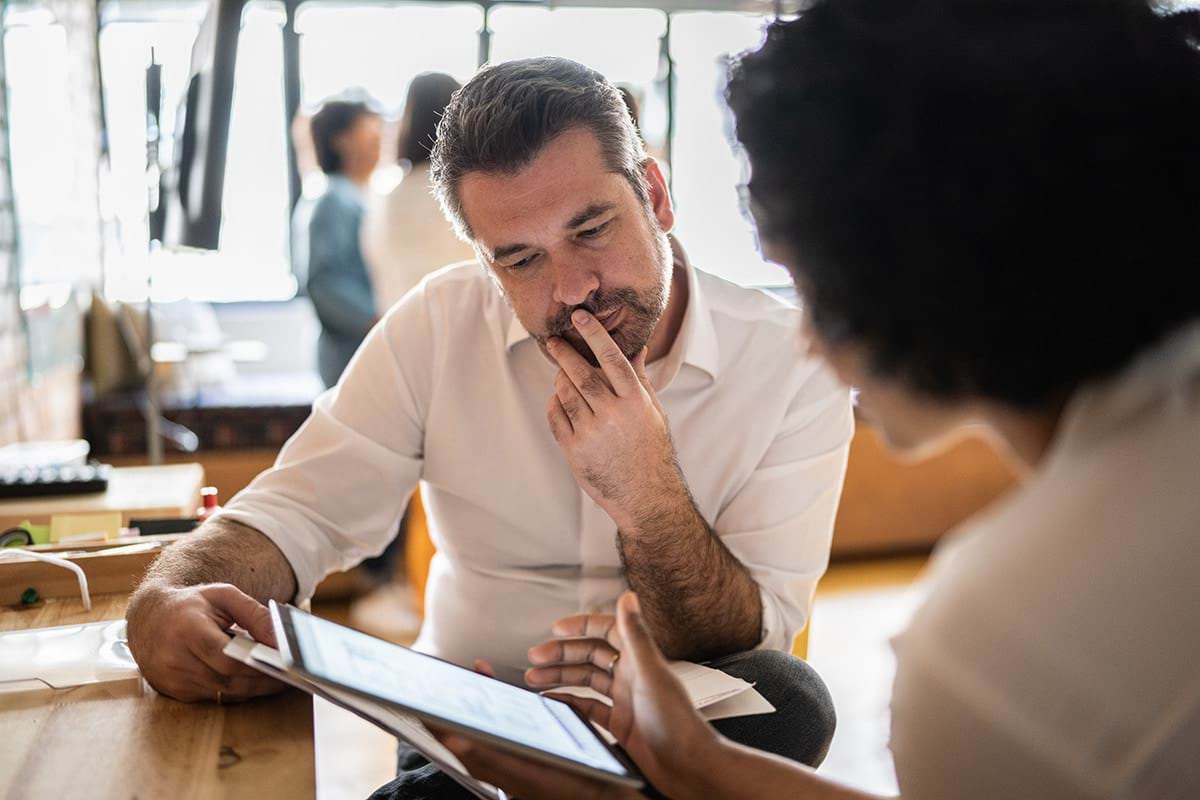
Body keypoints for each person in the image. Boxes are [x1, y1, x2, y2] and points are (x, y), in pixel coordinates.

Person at [434, 1, 1200, 798]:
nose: (808, 340)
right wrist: (699, 766)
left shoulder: (998, 649)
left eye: (812, 285)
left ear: (919, 263)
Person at [124, 57, 854, 797]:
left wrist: (649, 494)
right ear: (485, 259)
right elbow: (291, 514)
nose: (572, 291)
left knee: (791, 700)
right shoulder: (438, 326)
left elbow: (750, 638)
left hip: (671, 717)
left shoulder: (792, 362)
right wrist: (166, 597)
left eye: (592, 229)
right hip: (478, 713)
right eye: (521, 259)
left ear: (656, 196)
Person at [361, 72, 474, 315]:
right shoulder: (465, 190)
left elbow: (377, 270)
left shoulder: (385, 196)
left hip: (400, 326)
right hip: (465, 323)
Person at [304, 97, 383, 388]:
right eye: (369, 129)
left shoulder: (359, 196)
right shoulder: (332, 201)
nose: (379, 136)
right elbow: (325, 283)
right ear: (342, 141)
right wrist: (377, 318)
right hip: (349, 354)